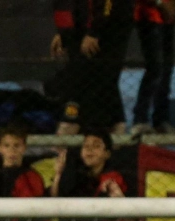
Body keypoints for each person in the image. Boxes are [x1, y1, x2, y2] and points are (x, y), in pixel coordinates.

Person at [51, 0, 132, 133]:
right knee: (89, 77)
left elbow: (107, 3)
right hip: (82, 27)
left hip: (110, 28)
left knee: (102, 77)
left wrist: (94, 32)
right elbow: (63, 4)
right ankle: (113, 128)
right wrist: (63, 32)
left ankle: (73, 125)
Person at [131, 0, 175, 135]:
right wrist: (160, 3)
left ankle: (161, 120)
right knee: (155, 68)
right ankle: (140, 119)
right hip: (149, 15)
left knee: (166, 69)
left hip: (167, 18)